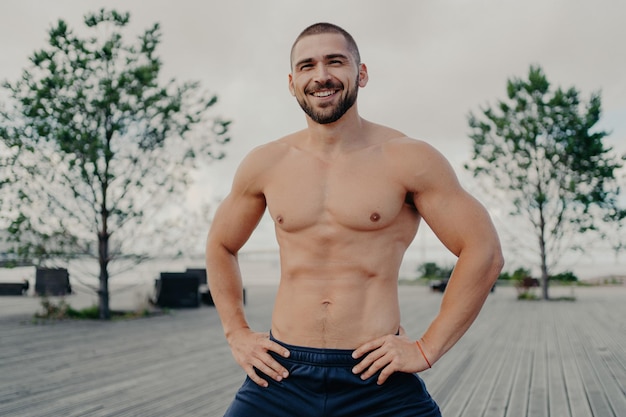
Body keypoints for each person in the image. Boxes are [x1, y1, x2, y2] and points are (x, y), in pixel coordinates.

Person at [206, 22, 504, 417]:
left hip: (377, 377)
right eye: (308, 66)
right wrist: (237, 333)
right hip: (280, 375)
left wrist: (426, 349)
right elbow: (221, 244)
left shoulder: (408, 158)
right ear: (293, 82)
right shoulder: (266, 163)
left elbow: (483, 250)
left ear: (360, 74)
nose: (322, 75)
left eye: (335, 61)